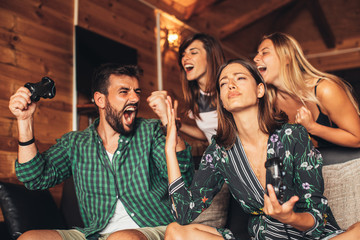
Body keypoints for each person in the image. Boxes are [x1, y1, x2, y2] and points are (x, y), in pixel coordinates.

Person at [163, 58, 360, 239]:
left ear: (260, 90)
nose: (231, 84)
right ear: (221, 99)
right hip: (267, 236)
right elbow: (184, 213)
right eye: (223, 83)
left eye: (240, 78)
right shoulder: (219, 152)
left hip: (310, 235)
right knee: (175, 231)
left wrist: (290, 217)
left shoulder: (293, 136)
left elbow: (317, 218)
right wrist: (170, 151)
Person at [9, 64, 194, 240]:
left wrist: (168, 122)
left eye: (137, 92)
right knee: (29, 237)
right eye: (124, 92)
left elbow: (184, 176)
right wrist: (24, 121)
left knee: (122, 237)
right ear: (100, 100)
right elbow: (33, 178)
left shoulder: (150, 131)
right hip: (96, 234)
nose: (136, 98)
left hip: (153, 228)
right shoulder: (75, 144)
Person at [253, 32, 360, 148]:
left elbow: (357, 139)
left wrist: (312, 127)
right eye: (257, 54)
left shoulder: (325, 89)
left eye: (264, 52)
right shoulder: (269, 102)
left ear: (286, 57)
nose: (255, 59)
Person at [147, 33, 225, 143]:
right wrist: (176, 123)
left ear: (210, 57)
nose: (185, 58)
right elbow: (209, 133)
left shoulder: (228, 89)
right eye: (183, 55)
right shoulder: (196, 98)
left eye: (193, 52)